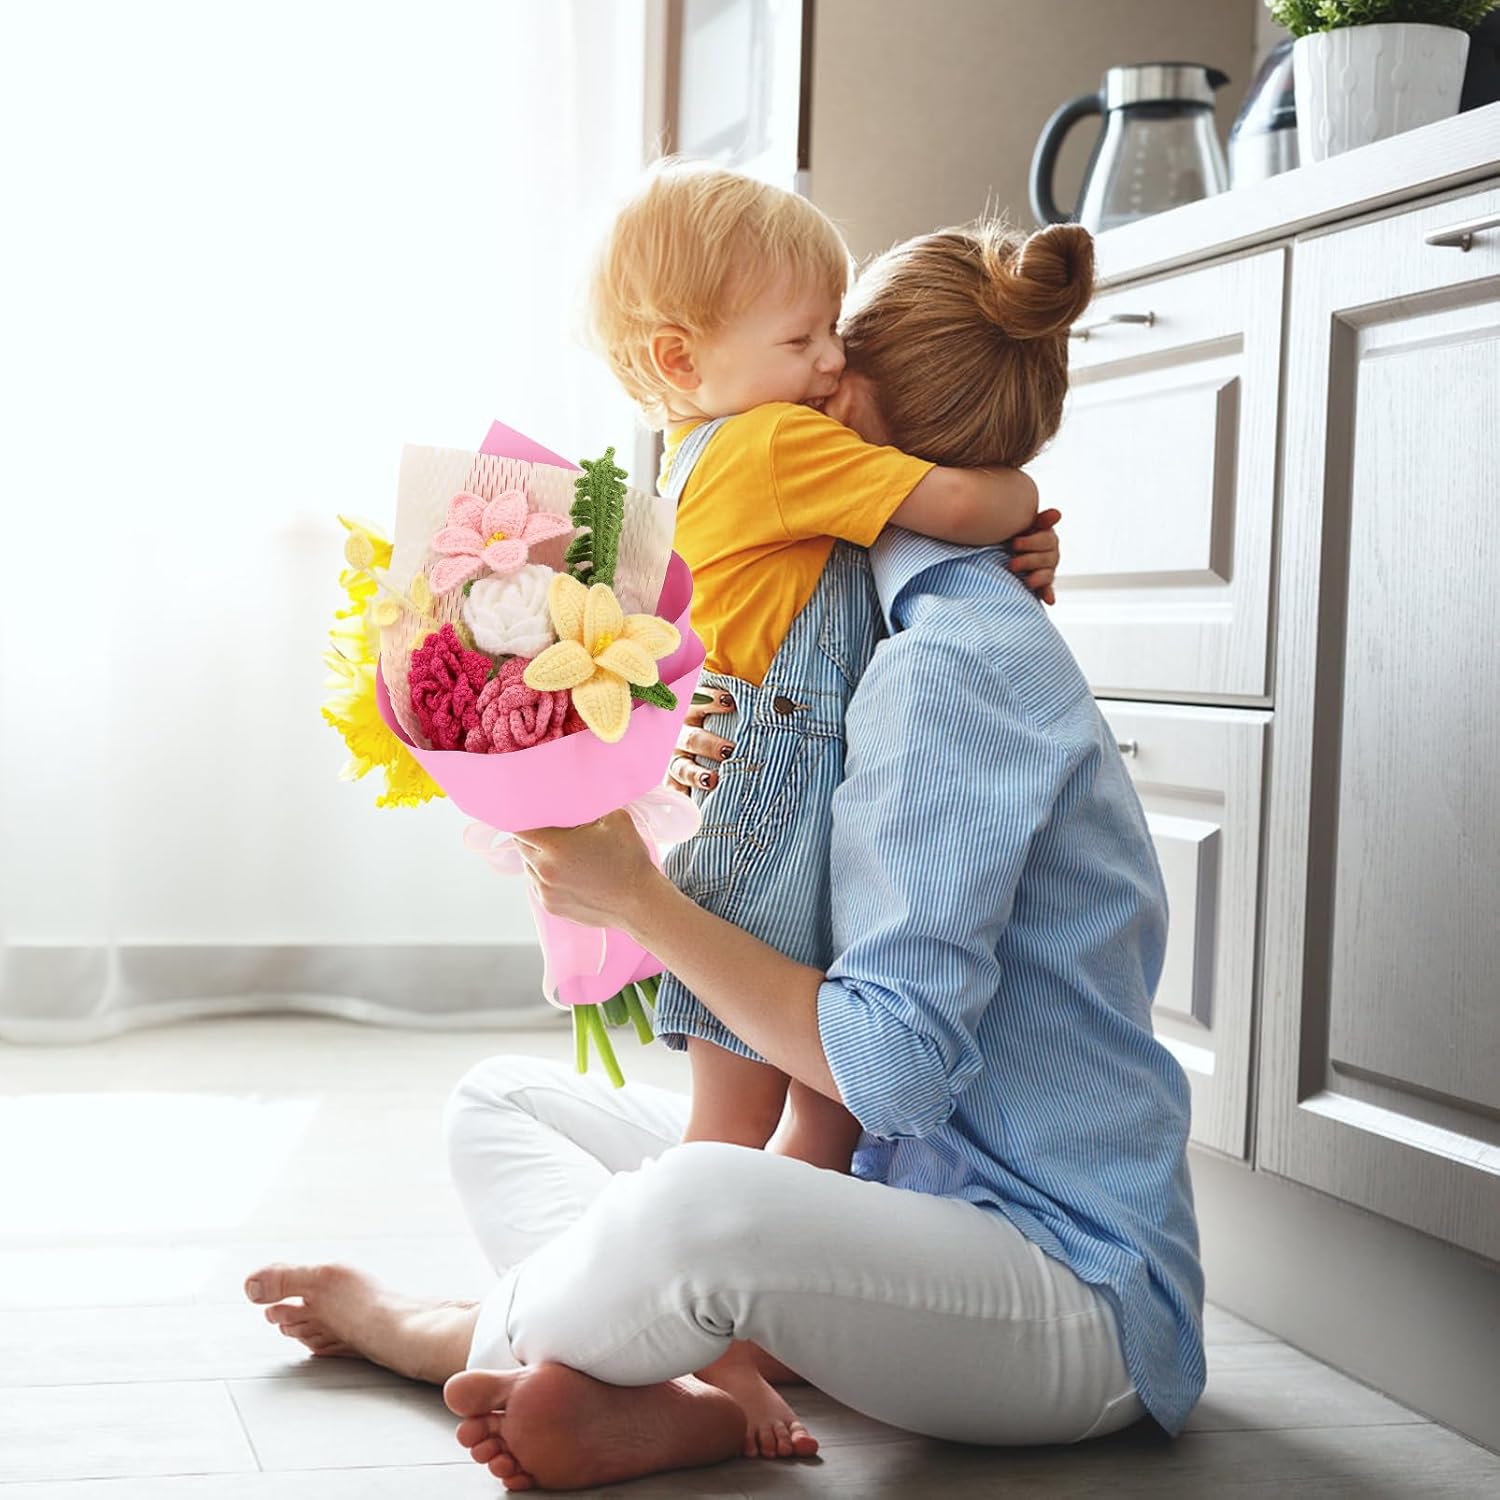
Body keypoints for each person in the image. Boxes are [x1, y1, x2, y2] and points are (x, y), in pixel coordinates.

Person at [243, 218, 1206, 1494]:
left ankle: (439, 1333)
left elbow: (892, 1075)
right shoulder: (859, 599)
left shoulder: (955, 665)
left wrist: (637, 899)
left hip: (1060, 1289)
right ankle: (680, 1381)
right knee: (506, 1101)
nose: (809, 369)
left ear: (845, 409)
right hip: (898, 1212)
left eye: (825, 343)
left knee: (698, 1198)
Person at [584, 159, 1060, 1438]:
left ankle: (732, 1335)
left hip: (762, 798)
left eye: (835, 330)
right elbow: (963, 499)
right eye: (802, 340)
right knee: (757, 1119)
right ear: (682, 359)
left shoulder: (689, 457)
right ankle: (658, 1339)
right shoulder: (775, 443)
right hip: (770, 808)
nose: (833, 362)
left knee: (805, 1113)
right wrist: (1024, 498)